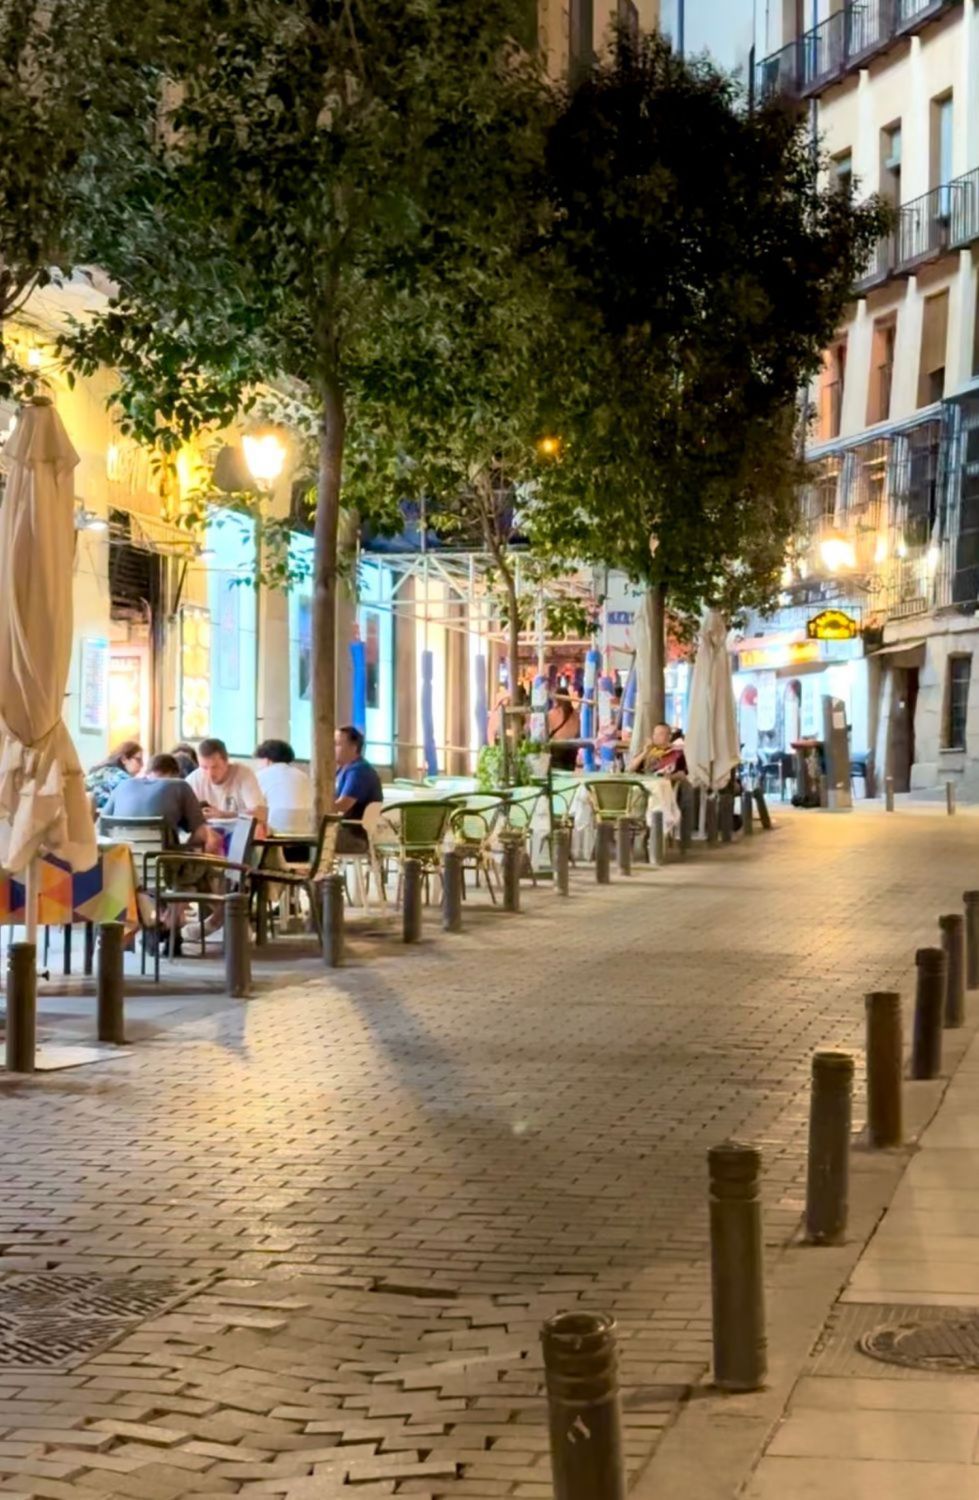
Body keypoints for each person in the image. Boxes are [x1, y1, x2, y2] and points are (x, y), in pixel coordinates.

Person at [101, 753, 221, 853]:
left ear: (148, 772)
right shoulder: (179, 785)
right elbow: (201, 832)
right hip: (163, 870)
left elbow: (101, 826)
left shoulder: (122, 786)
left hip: (124, 870)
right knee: (211, 836)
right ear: (175, 775)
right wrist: (187, 849)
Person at [187, 737, 268, 832]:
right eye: (204, 768)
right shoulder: (194, 778)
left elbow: (262, 813)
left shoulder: (243, 774)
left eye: (215, 767)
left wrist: (224, 815)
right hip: (210, 836)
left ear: (226, 761)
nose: (210, 774)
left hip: (240, 834)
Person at [335, 724, 383, 852]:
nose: (331, 748)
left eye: (337, 744)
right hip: (343, 831)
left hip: (353, 837)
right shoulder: (343, 770)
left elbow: (342, 805)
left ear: (353, 748)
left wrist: (314, 805)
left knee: (306, 842)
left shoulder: (359, 771)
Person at [254, 739, 313, 834]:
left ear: (266, 760)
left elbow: (254, 806)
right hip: (305, 831)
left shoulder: (260, 775)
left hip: (275, 832)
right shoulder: (304, 776)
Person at [85, 740, 144, 813]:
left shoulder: (98, 772)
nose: (142, 765)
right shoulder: (122, 778)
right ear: (124, 759)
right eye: (138, 760)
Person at [547, 692, 580, 772]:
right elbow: (577, 731)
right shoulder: (576, 714)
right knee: (569, 774)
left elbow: (547, 732)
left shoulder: (552, 713)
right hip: (572, 749)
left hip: (557, 748)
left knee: (557, 776)